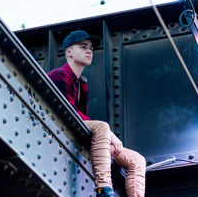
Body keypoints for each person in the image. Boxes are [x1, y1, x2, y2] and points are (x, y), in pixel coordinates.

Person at [48, 30, 146, 197]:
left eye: (91, 48)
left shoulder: (82, 83)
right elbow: (68, 111)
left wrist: (107, 134)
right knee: (102, 126)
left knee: (137, 159)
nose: (89, 51)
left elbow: (82, 117)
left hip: (81, 130)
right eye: (83, 47)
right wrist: (107, 132)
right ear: (69, 52)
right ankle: (103, 187)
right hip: (59, 126)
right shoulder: (59, 75)